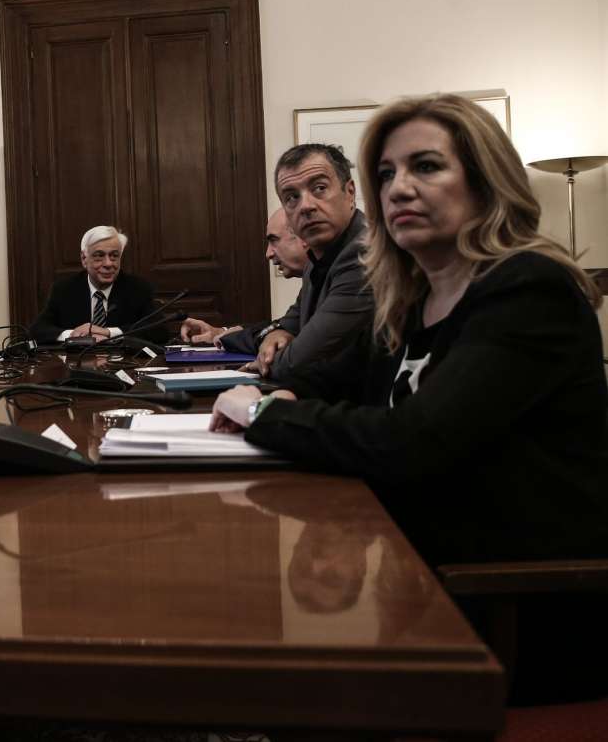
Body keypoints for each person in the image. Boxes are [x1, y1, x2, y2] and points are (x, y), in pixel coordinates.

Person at [211, 93, 608, 571]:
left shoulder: (528, 290)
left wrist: (262, 412)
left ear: (485, 182)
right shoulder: (414, 296)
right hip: (412, 551)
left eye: (426, 167)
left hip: (507, 583)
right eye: (386, 174)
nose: (398, 189)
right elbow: (333, 377)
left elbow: (410, 442)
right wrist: (286, 393)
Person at [250, 144, 374, 380]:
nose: (306, 206)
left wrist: (270, 359)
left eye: (319, 188)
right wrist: (276, 334)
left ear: (349, 192)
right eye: (291, 197)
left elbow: (297, 363)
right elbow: (291, 323)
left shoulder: (364, 254)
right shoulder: (317, 258)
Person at [179, 208, 308, 354]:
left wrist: (228, 339)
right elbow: (282, 326)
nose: (268, 254)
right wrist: (220, 333)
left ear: (304, 237)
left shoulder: (327, 278)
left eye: (274, 240)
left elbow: (288, 336)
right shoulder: (311, 281)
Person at [29, 225, 169, 345]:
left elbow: (159, 330)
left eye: (114, 256)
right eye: (99, 256)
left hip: (124, 363)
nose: (108, 264)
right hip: (76, 363)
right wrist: (74, 335)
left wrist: (108, 332)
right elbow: (37, 330)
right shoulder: (64, 289)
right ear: (84, 259)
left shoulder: (138, 288)